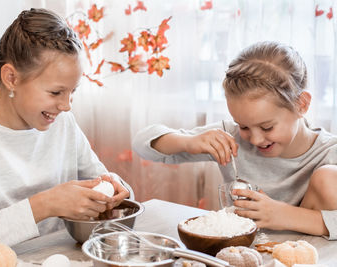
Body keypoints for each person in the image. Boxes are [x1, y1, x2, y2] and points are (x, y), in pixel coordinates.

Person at [0, 8, 132, 265]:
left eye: (72, 92)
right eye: (55, 92)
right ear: (11, 78)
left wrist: (118, 188)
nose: (67, 105)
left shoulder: (65, 125)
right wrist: (44, 205)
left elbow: (104, 183)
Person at [132, 41, 337, 239]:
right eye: (244, 126)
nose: (255, 139)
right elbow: (142, 143)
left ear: (302, 104)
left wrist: (284, 215)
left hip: (309, 259)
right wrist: (188, 142)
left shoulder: (329, 153)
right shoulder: (232, 139)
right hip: (241, 255)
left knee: (328, 178)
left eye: (267, 127)